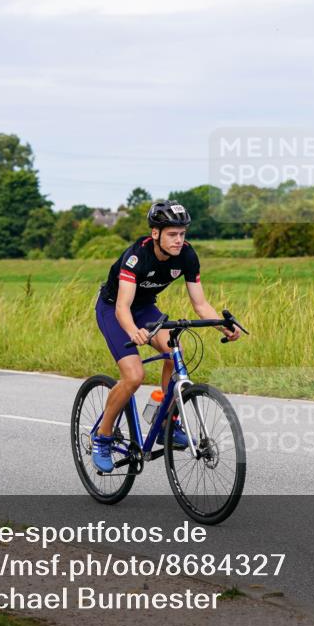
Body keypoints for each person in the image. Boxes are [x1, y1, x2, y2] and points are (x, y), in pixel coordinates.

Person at [91, 200, 241, 473]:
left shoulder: (187, 255)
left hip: (145, 308)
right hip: (113, 309)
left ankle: (164, 423)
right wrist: (133, 332)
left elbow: (200, 304)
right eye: (172, 234)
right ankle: (103, 436)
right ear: (155, 233)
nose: (178, 240)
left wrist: (223, 326)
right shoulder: (137, 256)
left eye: (182, 233)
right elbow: (123, 307)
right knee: (134, 376)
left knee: (174, 352)